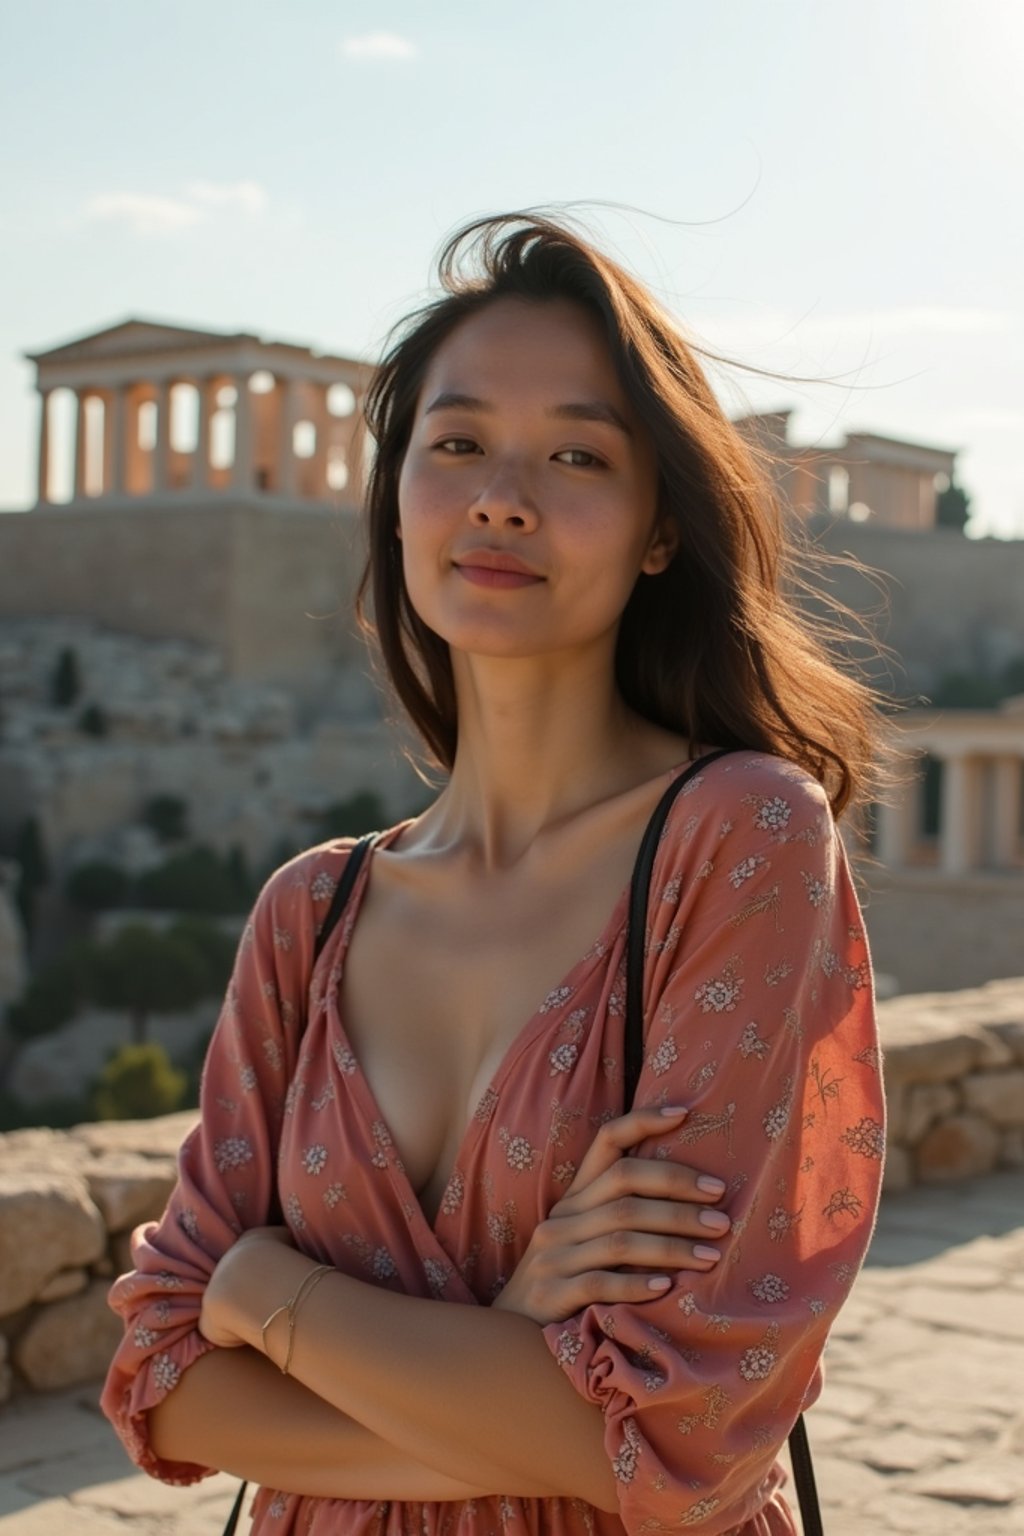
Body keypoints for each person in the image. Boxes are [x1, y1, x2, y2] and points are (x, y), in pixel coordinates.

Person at [101, 211, 887, 1535]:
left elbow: (682, 1449)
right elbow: (162, 1387)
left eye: (577, 453)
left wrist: (264, 1291)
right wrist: (515, 1335)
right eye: (456, 443)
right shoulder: (313, 912)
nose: (501, 495)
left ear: (657, 529)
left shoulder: (739, 839)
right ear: (399, 499)